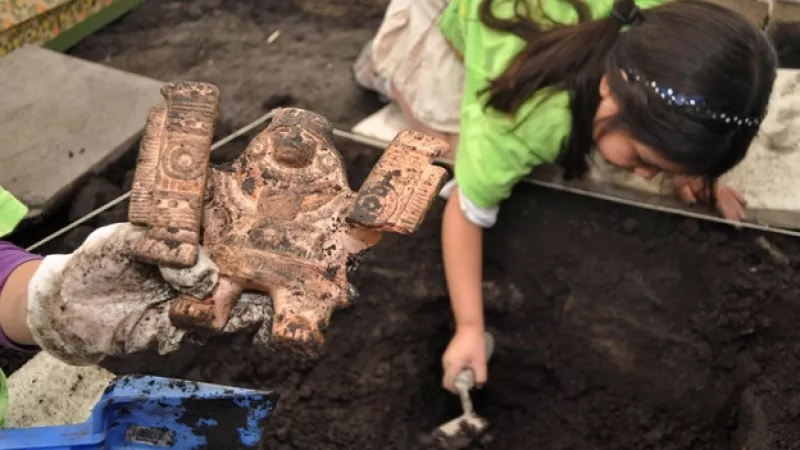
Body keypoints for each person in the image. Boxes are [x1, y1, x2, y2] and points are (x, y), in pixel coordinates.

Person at [355, 0, 777, 392]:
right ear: (610, 91)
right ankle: (385, 61)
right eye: (645, 159)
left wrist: (691, 165)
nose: (649, 175)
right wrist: (469, 328)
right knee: (453, 143)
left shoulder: (666, 33)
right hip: (444, 12)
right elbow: (465, 210)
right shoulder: (524, 121)